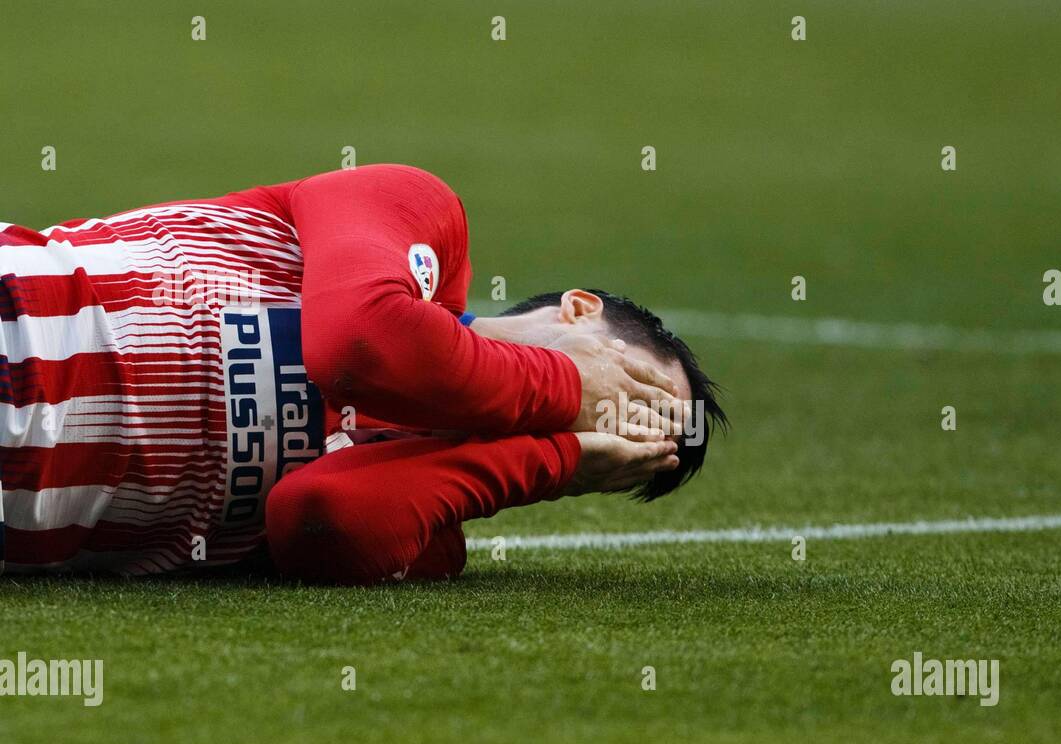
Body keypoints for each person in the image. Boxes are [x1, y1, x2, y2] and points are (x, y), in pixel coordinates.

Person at [0, 165, 726, 581]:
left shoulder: (438, 511)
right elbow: (359, 344)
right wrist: (565, 387)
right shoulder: (423, 216)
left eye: (634, 432)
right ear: (578, 309)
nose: (613, 408)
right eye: (634, 385)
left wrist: (548, 457)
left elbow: (321, 517)